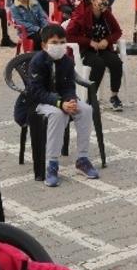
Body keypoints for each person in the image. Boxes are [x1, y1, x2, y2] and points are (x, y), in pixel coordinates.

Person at [13, 24, 101, 187]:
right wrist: (61, 104)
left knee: (86, 110)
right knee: (58, 114)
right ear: (44, 45)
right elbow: (36, 91)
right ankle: (52, 163)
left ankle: (82, 159)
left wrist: (71, 100)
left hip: (61, 100)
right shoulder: (37, 61)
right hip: (37, 103)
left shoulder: (66, 61)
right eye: (54, 42)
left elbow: (68, 86)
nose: (59, 46)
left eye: (62, 42)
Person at [65, 0, 124, 111]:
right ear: (93, 0)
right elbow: (68, 35)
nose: (105, 2)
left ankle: (114, 96)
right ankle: (91, 99)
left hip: (102, 49)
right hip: (85, 50)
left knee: (116, 62)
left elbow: (118, 31)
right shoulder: (81, 15)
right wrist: (89, 42)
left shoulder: (106, 13)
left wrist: (107, 40)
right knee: (98, 64)